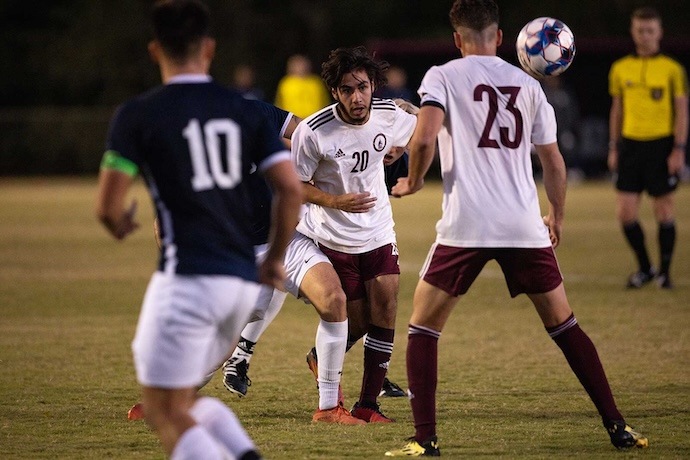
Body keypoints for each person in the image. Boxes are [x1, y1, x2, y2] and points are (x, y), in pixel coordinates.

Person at [384, 0, 648, 456]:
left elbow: (425, 136)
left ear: (456, 39)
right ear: (501, 37)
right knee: (565, 326)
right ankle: (618, 427)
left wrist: (410, 180)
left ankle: (424, 440)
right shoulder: (529, 85)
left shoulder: (442, 75)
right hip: (523, 224)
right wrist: (556, 217)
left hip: (466, 224)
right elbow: (554, 162)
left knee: (423, 329)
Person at [95, 1, 303, 458]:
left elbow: (108, 208)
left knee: (162, 409)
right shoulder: (246, 110)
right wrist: (272, 260)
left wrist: (122, 221)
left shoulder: (137, 114)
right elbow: (290, 190)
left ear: (155, 51)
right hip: (239, 283)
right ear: (209, 49)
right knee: (184, 404)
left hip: (187, 276)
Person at [291, 46, 418, 423]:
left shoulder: (388, 114)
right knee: (356, 321)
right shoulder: (313, 132)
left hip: (378, 230)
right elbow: (294, 186)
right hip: (333, 238)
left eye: (362, 87)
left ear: (373, 85)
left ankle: (367, 405)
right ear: (334, 92)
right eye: (347, 90)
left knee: (387, 306)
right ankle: (320, 358)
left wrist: (402, 147)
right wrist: (335, 200)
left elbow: (418, 124)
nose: (356, 97)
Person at [607, 6, 688, 290]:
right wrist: (614, 146)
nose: (645, 35)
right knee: (625, 213)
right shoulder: (619, 69)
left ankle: (665, 273)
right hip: (630, 146)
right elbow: (617, 110)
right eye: (640, 30)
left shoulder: (672, 70)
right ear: (632, 31)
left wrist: (678, 149)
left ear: (660, 32)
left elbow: (682, 111)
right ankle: (645, 268)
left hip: (661, 146)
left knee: (664, 211)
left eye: (650, 30)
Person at [274, 54, 331, 118]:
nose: (301, 67)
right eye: (298, 65)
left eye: (303, 65)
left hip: (314, 120)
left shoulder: (316, 82)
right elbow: (280, 103)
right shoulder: (286, 83)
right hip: (294, 121)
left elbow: (324, 102)